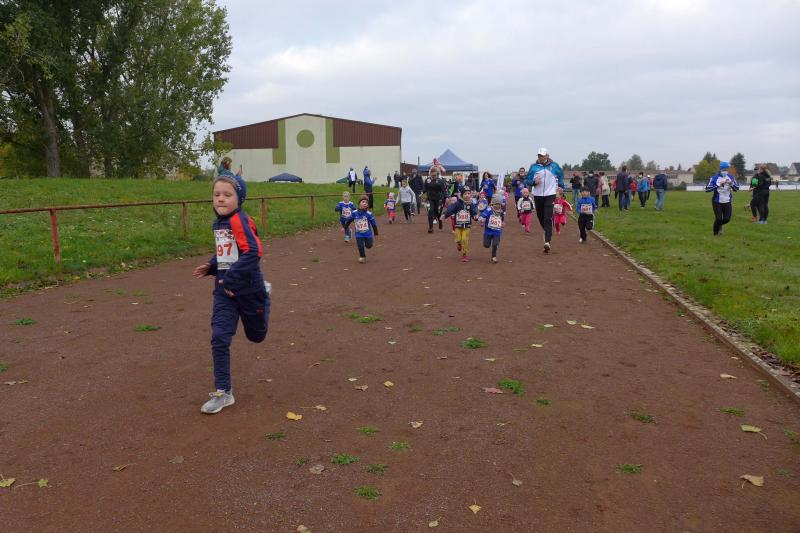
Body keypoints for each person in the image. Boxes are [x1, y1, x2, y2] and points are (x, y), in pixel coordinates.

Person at [193, 164, 270, 414]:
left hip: (249, 290)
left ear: (239, 198)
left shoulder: (239, 220)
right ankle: (223, 392)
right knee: (219, 337)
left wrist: (231, 280)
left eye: (227, 195)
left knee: (257, 336)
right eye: (216, 194)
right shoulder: (219, 223)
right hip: (224, 292)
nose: (220, 199)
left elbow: (253, 252)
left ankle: (265, 296)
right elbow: (227, 253)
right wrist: (213, 266)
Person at [525, 147, 564, 253]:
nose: (540, 157)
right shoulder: (534, 167)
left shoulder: (554, 166)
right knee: (540, 216)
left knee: (548, 217)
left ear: (547, 155)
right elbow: (527, 180)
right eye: (539, 155)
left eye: (542, 155)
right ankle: (547, 230)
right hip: (537, 195)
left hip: (550, 194)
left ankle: (547, 241)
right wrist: (533, 182)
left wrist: (561, 186)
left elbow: (560, 175)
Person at [442, 188, 477, 262]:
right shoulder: (458, 204)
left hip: (467, 225)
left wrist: (475, 217)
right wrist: (445, 215)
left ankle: (464, 254)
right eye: (465, 194)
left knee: (464, 239)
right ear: (461, 195)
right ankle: (458, 243)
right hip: (458, 225)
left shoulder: (471, 204)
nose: (467, 195)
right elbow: (451, 209)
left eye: (468, 193)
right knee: (458, 239)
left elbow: (474, 212)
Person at [705, 161, 739, 236]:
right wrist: (718, 185)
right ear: (720, 169)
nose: (725, 171)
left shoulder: (731, 177)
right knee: (719, 218)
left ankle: (719, 225)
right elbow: (707, 189)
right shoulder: (714, 178)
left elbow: (737, 189)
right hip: (717, 202)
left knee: (727, 219)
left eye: (726, 169)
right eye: (724, 169)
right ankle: (715, 234)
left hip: (727, 201)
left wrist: (731, 184)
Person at [343, 195, 379, 262]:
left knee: (368, 246)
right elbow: (349, 220)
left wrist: (376, 232)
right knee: (360, 246)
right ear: (359, 203)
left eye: (366, 202)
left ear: (367, 205)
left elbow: (373, 224)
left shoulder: (369, 214)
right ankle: (362, 257)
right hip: (359, 234)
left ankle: (370, 242)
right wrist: (345, 227)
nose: (365, 203)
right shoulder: (354, 213)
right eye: (363, 202)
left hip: (367, 234)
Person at [479, 194, 504, 263]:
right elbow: (481, 216)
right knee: (486, 245)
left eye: (499, 204)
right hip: (488, 231)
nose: (497, 206)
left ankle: (494, 256)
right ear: (492, 204)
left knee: (495, 244)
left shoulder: (501, 212)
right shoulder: (489, 210)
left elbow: (502, 219)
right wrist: (482, 220)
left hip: (497, 231)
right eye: (496, 204)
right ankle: (487, 242)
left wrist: (502, 223)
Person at [424, 167, 447, 233]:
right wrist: (422, 192)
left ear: (437, 174)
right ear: (430, 174)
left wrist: (446, 197)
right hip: (430, 199)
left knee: (438, 212)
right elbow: (425, 188)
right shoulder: (427, 180)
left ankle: (440, 221)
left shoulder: (440, 181)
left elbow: (444, 191)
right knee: (430, 211)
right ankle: (430, 228)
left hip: (438, 199)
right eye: (432, 175)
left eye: (434, 175)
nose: (433, 176)